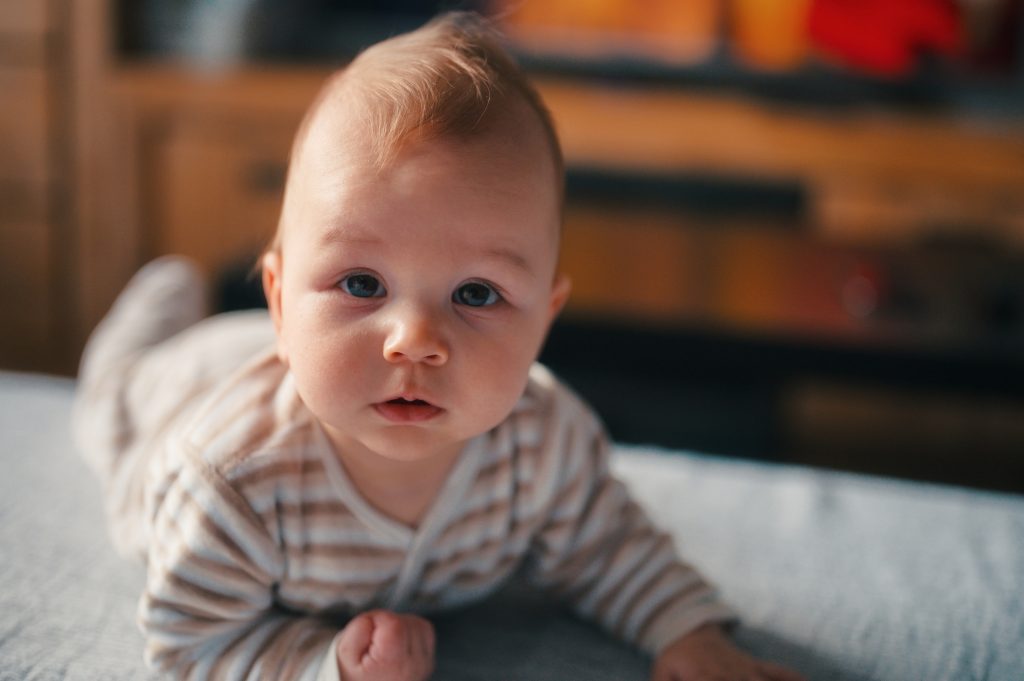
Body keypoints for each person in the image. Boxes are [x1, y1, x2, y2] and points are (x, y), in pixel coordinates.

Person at [72, 12, 805, 681]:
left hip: (286, 353)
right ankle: (145, 322)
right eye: (361, 282)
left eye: (477, 294)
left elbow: (610, 546)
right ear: (281, 299)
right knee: (115, 396)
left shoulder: (542, 445)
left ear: (543, 322)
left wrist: (687, 633)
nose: (415, 340)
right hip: (184, 394)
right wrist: (324, 664)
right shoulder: (230, 487)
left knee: (225, 345)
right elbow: (190, 645)